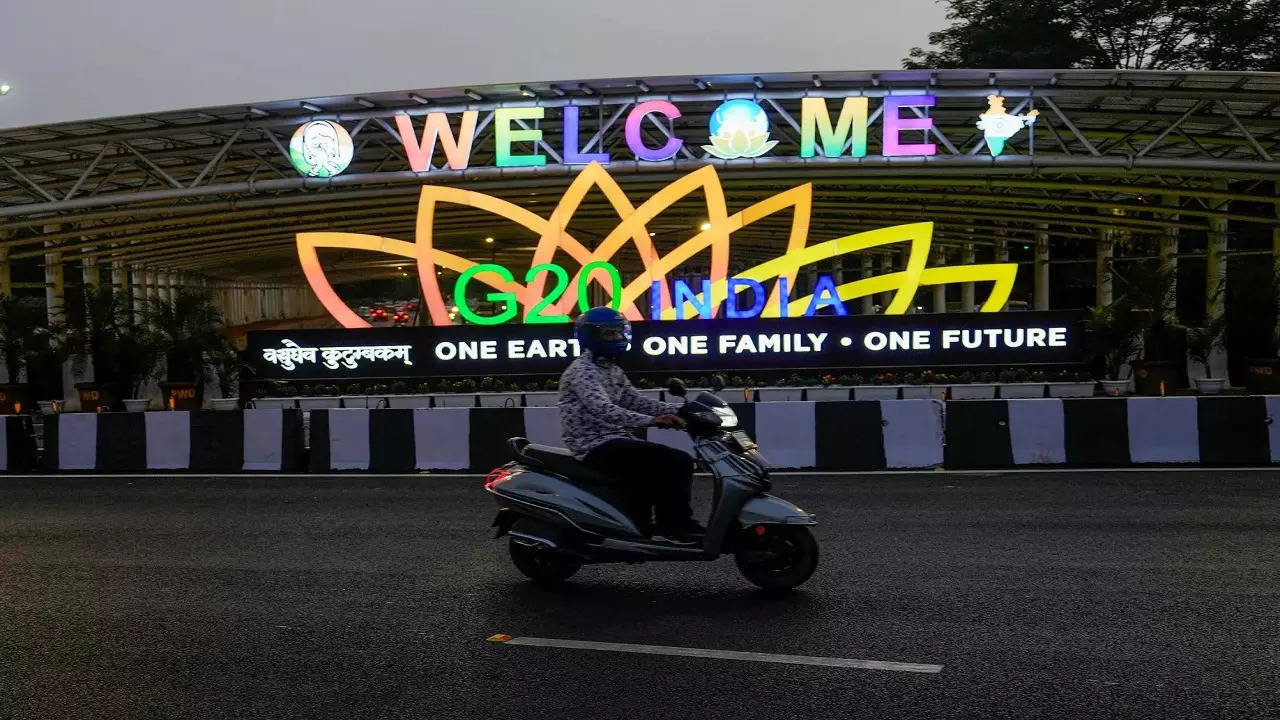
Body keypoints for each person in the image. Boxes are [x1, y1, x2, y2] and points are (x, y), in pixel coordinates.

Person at [558, 307, 706, 544]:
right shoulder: (583, 371)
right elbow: (603, 409)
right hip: (594, 444)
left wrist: (679, 410)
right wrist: (652, 421)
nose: (618, 338)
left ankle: (646, 525)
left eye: (619, 332)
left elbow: (634, 400)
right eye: (610, 334)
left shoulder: (610, 369)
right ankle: (673, 526)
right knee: (677, 461)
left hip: (614, 438)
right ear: (591, 336)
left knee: (660, 465)